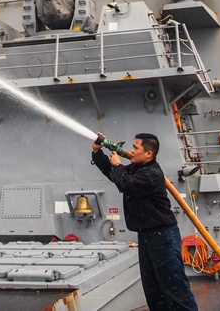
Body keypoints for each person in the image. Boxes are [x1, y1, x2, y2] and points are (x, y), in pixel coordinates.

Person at [92, 132, 197, 311]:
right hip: (147, 235)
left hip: (162, 236)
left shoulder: (152, 174)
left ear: (148, 153)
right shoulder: (137, 169)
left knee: (174, 287)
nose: (131, 151)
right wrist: (97, 153)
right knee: (153, 290)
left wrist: (118, 164)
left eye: (135, 148)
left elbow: (126, 184)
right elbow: (115, 175)